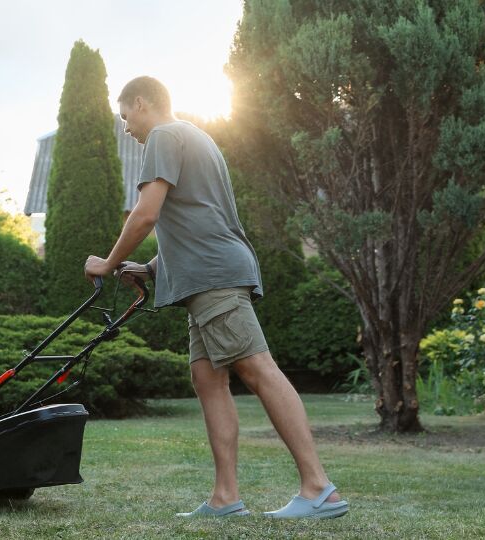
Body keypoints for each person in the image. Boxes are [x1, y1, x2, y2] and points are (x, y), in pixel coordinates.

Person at [82, 76, 349, 519]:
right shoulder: (194, 137)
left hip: (213, 279)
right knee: (208, 381)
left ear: (143, 103)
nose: (126, 128)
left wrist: (108, 263)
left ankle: (319, 487)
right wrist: (150, 269)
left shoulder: (164, 136)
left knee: (259, 370)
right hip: (206, 277)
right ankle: (225, 498)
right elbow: (195, 218)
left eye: (126, 116)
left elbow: (147, 214)